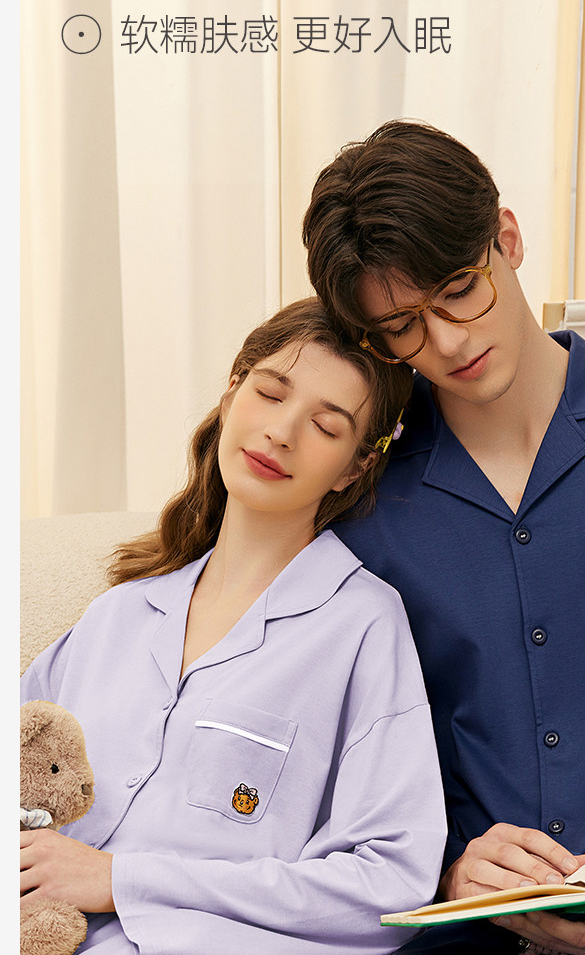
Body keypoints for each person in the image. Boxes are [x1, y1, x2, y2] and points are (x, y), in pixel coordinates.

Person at [301, 120, 585, 955]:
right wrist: (450, 865)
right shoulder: (363, 505)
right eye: (403, 326)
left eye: (459, 288)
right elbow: (342, 748)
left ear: (507, 239)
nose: (447, 341)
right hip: (470, 934)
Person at [20, 297, 447, 955]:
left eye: (326, 426)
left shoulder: (362, 626)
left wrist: (123, 881)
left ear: (356, 466)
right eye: (270, 394)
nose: (281, 433)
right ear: (231, 392)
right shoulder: (118, 615)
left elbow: (391, 886)